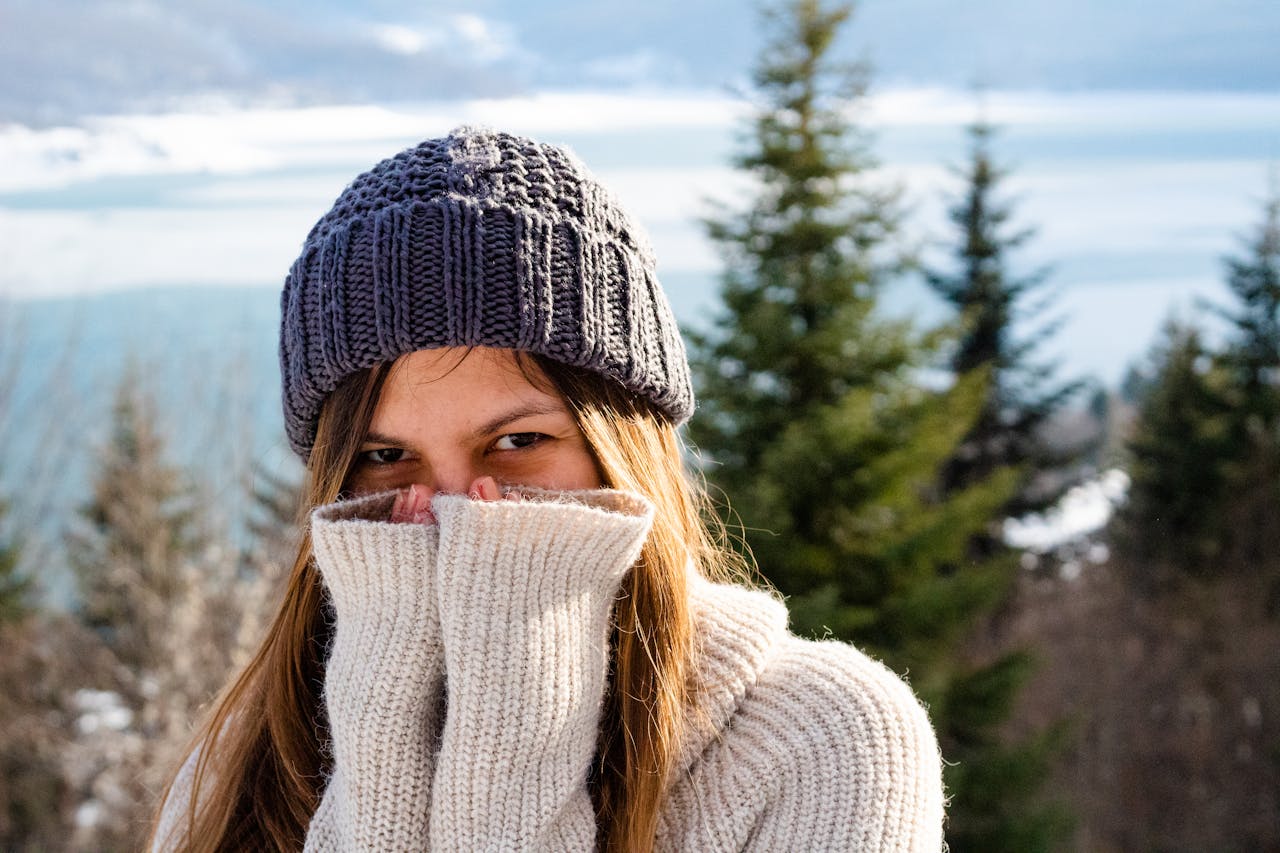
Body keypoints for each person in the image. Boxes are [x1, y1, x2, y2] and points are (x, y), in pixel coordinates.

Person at [150, 127, 945, 852]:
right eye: (386, 454)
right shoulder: (251, 757)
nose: (459, 502)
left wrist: (513, 727)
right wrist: (383, 743)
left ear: (623, 444)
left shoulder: (825, 738)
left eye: (518, 441)